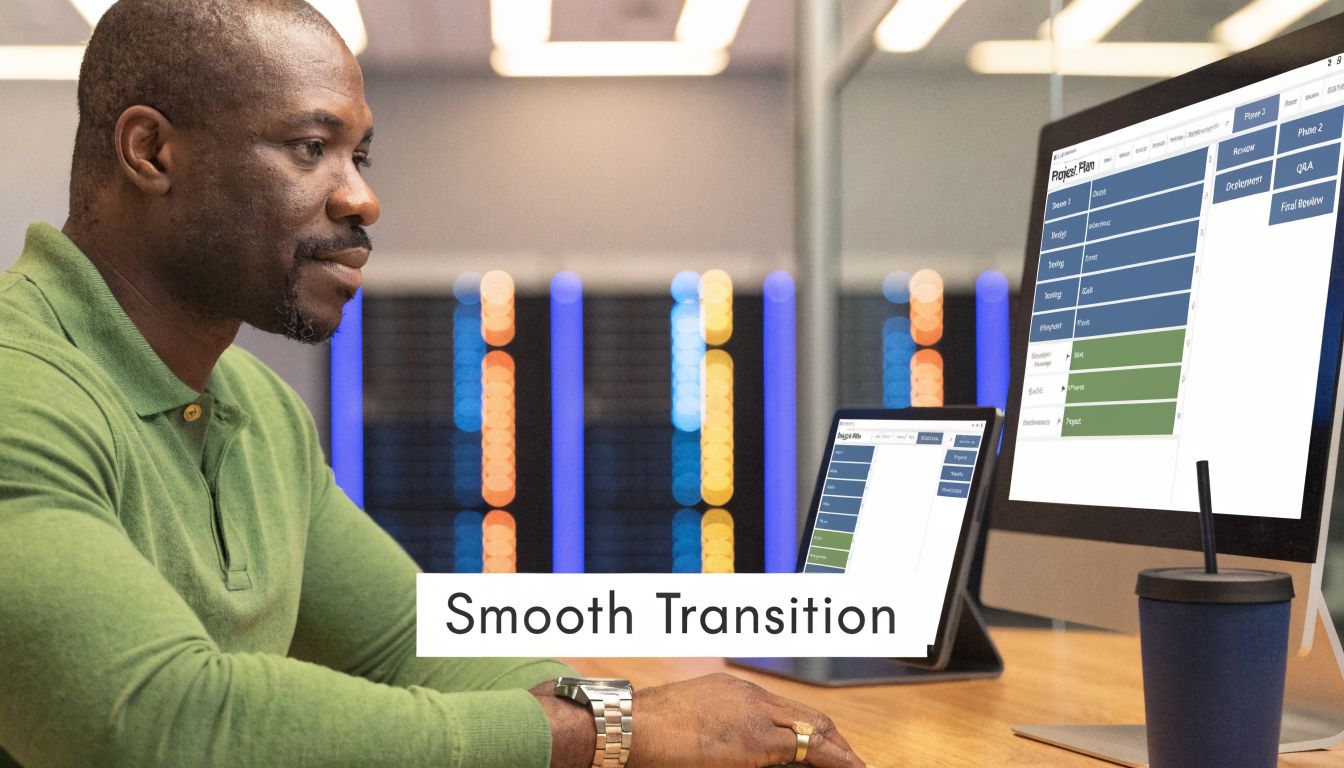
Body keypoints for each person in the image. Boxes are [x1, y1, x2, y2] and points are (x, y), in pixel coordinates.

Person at [0, 2, 868, 766]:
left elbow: (411, 648)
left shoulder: (258, 410)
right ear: (151, 151)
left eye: (359, 155)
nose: (362, 199)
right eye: (312, 148)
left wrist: (660, 726)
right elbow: (156, 726)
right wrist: (617, 734)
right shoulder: (20, 390)